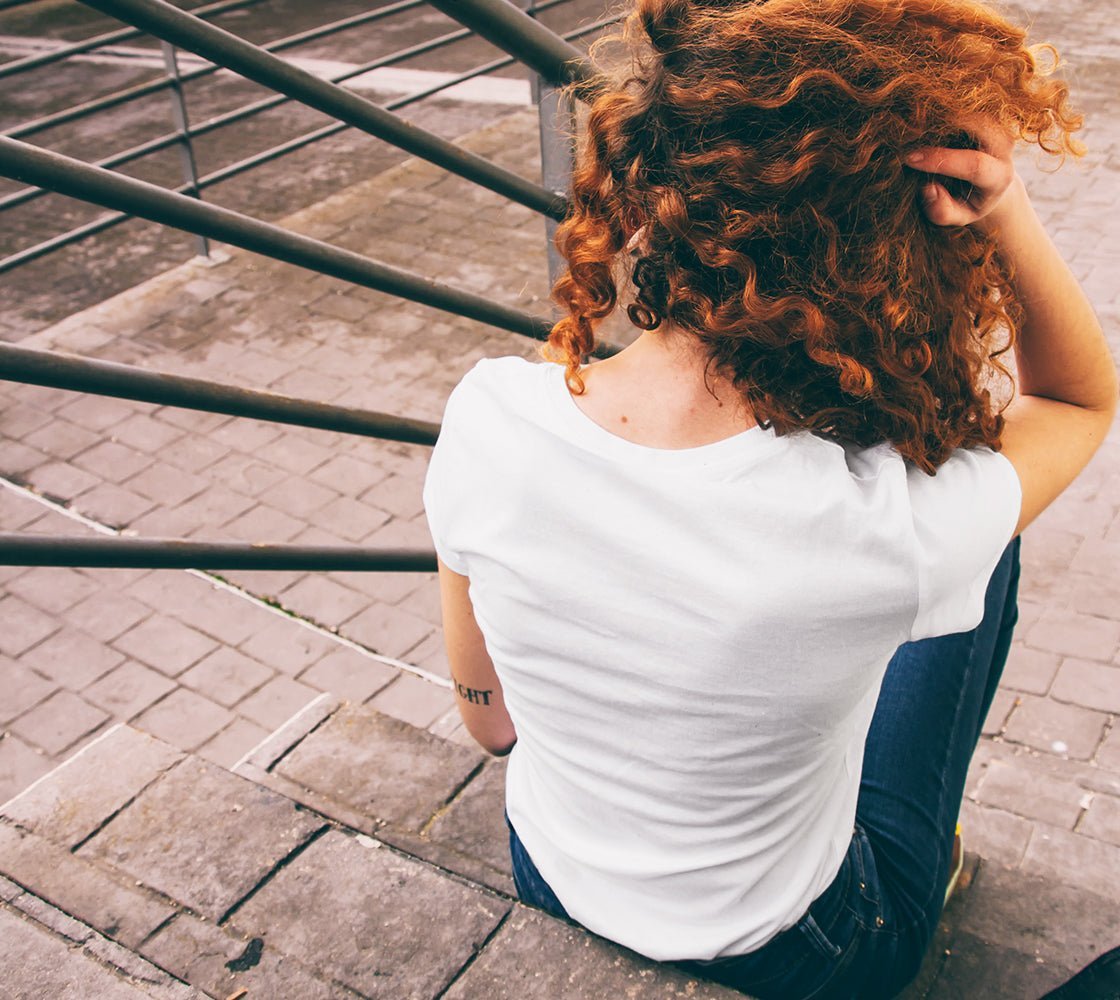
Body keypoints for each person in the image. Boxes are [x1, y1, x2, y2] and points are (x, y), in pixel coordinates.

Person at [422, 0, 1117, 996]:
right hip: (806, 954)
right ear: (886, 263)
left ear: (646, 193)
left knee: (933, 550)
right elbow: (1077, 401)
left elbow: (492, 728)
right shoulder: (880, 526)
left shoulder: (488, 416)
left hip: (552, 878)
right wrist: (1004, 209)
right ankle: (929, 860)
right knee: (983, 532)